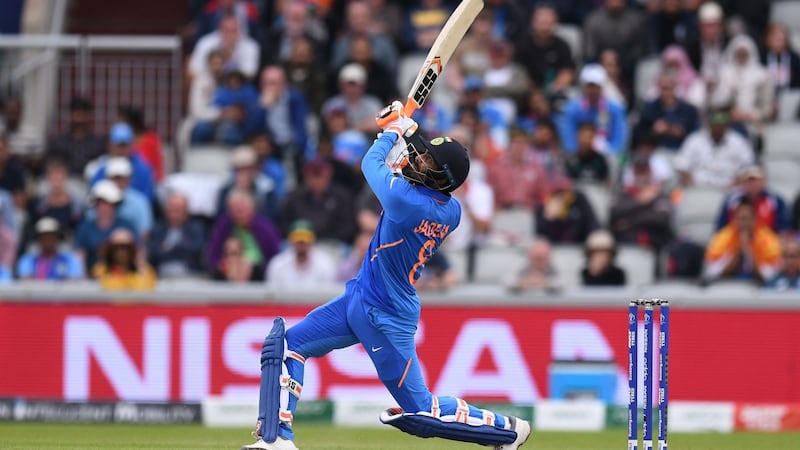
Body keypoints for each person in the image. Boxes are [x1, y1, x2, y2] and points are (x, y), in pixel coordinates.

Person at [239, 101, 531, 450]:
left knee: (420, 411)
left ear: (441, 178)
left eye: (427, 162)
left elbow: (371, 164)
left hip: (387, 315)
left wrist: (390, 133)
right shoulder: (449, 208)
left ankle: (507, 432)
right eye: (422, 155)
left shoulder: (409, 203)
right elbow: (410, 172)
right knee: (287, 345)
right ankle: (276, 441)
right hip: (361, 296)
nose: (418, 161)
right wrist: (409, 134)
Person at [704, 196, 781, 284]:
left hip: (759, 285)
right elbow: (712, 273)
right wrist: (738, 250)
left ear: (755, 219)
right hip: (728, 283)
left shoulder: (767, 238)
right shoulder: (723, 237)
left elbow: (770, 276)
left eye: (748, 219)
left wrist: (748, 250)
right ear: (735, 219)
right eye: (741, 219)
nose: (744, 223)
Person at [208, 189, 281, 279]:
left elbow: (275, 258)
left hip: (259, 273)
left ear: (252, 209)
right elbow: (213, 256)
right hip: (227, 273)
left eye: (242, 209)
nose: (239, 213)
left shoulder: (266, 228)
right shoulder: (223, 225)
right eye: (235, 209)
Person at [673, 108, 754, 188]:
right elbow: (681, 163)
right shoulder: (695, 139)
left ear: (727, 125)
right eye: (715, 124)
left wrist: (740, 179)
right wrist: (687, 177)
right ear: (709, 124)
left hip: (729, 189)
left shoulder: (738, 141)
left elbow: (748, 165)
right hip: (699, 188)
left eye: (721, 124)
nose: (718, 127)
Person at [558, 64, 628, 155]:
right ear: (584, 86)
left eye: (596, 86)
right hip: (580, 155)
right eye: (590, 86)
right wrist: (578, 153)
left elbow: (619, 140)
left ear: (602, 86)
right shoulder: (572, 110)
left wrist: (609, 153)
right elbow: (569, 139)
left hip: (607, 156)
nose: (593, 90)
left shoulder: (615, 109)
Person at [610, 153, 674, 249]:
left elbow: (662, 220)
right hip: (627, 241)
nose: (641, 174)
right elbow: (614, 215)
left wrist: (628, 222)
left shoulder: (659, 194)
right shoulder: (623, 193)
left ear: (650, 171)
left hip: (655, 242)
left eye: (644, 170)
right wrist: (639, 202)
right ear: (633, 172)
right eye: (638, 170)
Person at [74, 180, 137, 273]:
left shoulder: (126, 226)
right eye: (101, 203)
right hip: (93, 280)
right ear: (95, 204)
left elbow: (138, 255)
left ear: (115, 205)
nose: (104, 207)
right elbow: (80, 257)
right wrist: (83, 281)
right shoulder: (85, 228)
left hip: (125, 280)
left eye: (108, 203)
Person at [514, 5, 575, 97]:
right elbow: (518, 72)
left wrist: (554, 88)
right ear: (533, 23)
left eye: (548, 23)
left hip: (555, 90)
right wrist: (534, 93)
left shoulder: (562, 45)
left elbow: (568, 71)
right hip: (528, 92)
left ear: (555, 23)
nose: (545, 28)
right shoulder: (523, 46)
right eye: (542, 23)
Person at [88, 122, 156, 201]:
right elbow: (94, 196)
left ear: (131, 145)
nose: (121, 150)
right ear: (110, 145)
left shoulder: (144, 171)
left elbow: (147, 200)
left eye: (124, 145)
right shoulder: (100, 169)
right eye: (118, 145)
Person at [714, 165, 790, 234]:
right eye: (749, 180)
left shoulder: (775, 200)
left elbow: (784, 229)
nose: (753, 184)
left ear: (764, 180)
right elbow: (721, 229)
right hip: (736, 242)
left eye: (757, 180)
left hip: (767, 242)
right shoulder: (731, 200)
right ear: (743, 182)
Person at [635, 71, 700, 151]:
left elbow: (693, 134)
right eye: (661, 88)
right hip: (657, 151)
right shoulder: (649, 109)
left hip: (683, 152)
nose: (664, 92)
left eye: (667, 88)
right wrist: (653, 131)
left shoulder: (688, 110)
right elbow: (639, 133)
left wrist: (668, 129)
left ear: (675, 87)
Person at [265, 220, 336, 291]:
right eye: (298, 241)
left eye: (305, 240)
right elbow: (272, 295)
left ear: (313, 239)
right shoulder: (277, 264)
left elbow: (329, 295)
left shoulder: (325, 264)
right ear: (290, 240)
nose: (302, 244)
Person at [147, 192, 206, 278]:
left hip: (190, 276)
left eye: (178, 211)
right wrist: (181, 248)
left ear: (186, 212)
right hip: (160, 276)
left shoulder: (196, 228)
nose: (174, 215)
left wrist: (169, 248)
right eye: (171, 210)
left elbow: (195, 251)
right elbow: (153, 252)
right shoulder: (158, 228)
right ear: (165, 211)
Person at [44, 97, 106, 177]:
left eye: (83, 114)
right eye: (76, 114)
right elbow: (50, 165)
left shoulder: (98, 142)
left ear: (88, 116)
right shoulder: (58, 142)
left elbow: (103, 165)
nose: (79, 119)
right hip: (65, 183)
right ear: (70, 115)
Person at [188, 13, 260, 80]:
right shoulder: (205, 43)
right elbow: (193, 70)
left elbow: (250, 73)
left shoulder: (251, 46)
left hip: (237, 86)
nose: (230, 35)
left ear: (240, 30)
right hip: (209, 83)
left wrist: (228, 68)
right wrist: (214, 73)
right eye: (226, 30)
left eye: (233, 31)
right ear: (219, 29)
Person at [535, 175, 599, 244]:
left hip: (579, 247)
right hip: (554, 249)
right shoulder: (542, 207)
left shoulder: (579, 200)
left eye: (564, 192)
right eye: (556, 193)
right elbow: (540, 236)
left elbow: (593, 225)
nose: (560, 197)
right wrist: (547, 219)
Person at [92, 228, 157, 291]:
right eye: (116, 248)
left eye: (124, 247)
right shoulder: (101, 269)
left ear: (131, 250)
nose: (120, 252)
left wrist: (140, 264)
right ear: (110, 251)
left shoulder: (144, 270)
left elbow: (148, 289)